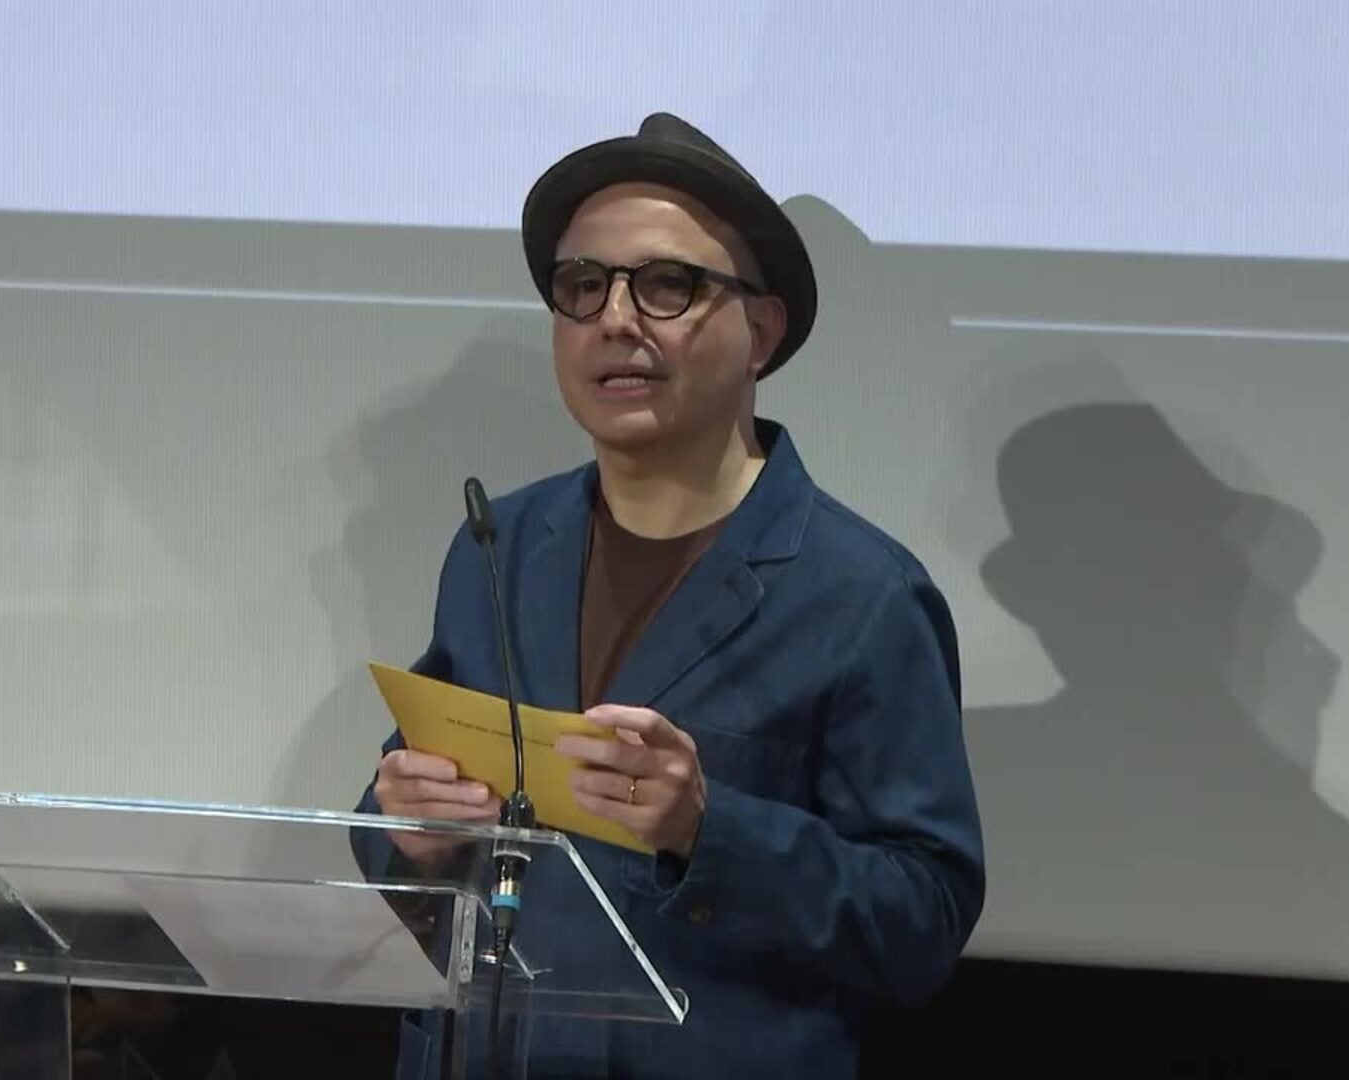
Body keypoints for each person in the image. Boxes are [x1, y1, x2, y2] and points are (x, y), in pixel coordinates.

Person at [354, 112, 983, 1079]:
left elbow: (922, 919)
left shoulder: (862, 592)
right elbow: (407, 812)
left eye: (666, 285)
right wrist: (407, 832)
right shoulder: (498, 547)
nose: (616, 319)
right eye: (583, 286)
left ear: (760, 333)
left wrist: (707, 829)